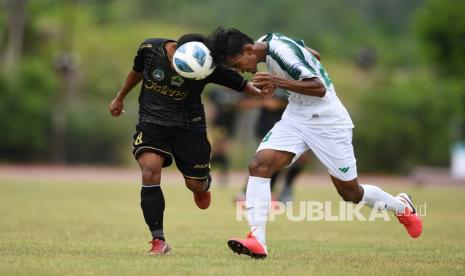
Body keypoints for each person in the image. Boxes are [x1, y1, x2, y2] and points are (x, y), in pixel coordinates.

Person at [208, 28, 423, 259]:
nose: (238, 69)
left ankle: (400, 206)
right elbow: (314, 55)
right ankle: (257, 241)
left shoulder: (281, 52)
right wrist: (287, 78)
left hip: (328, 120)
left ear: (249, 50)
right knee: (260, 165)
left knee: (351, 193)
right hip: (297, 117)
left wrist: (277, 80)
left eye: (236, 63)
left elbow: (318, 88)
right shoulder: (265, 43)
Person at [108, 33, 269, 256]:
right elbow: (136, 72)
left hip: (189, 126)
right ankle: (158, 240)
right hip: (152, 122)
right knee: (149, 170)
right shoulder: (150, 49)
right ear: (174, 50)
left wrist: (261, 93)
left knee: (194, 184)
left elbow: (241, 84)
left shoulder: (207, 64)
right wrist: (120, 97)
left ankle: (202, 185)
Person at [235, 88, 310, 202]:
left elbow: (275, 104)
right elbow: (243, 103)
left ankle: (268, 193)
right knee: (261, 162)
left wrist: (262, 100)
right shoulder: (264, 84)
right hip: (264, 129)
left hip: (285, 131)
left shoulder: (288, 86)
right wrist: (261, 99)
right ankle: (246, 193)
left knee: (276, 163)